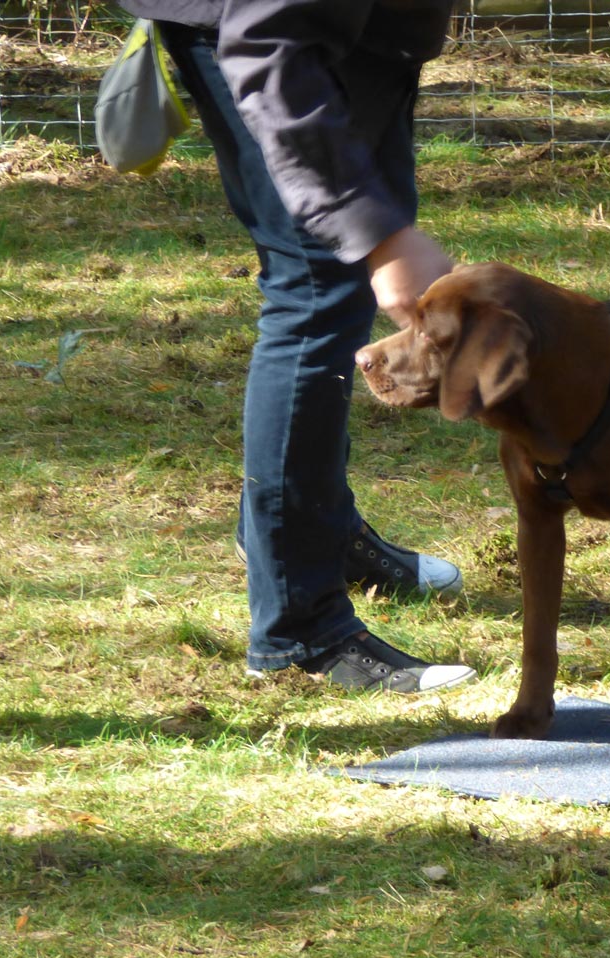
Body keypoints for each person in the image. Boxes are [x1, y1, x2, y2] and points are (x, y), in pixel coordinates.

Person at [117, 0, 474, 693]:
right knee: (318, 284)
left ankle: (319, 536)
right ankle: (299, 628)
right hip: (267, 33)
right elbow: (267, 42)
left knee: (347, 268)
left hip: (356, 33)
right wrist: (378, 236)